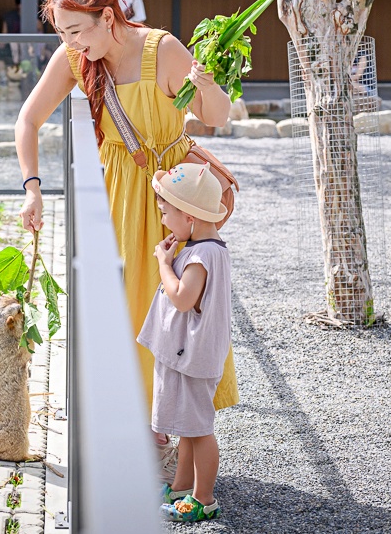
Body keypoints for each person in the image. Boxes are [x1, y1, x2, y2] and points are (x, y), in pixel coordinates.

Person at [14, 0, 239, 481]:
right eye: (63, 33)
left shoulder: (162, 48)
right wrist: (32, 190)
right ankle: (136, 428)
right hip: (115, 199)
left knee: (177, 312)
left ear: (108, 17)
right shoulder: (74, 60)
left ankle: (170, 431)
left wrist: (206, 87)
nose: (71, 43)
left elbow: (218, 118)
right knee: (121, 312)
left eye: (77, 31)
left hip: (172, 203)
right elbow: (27, 121)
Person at [138, 162, 231, 522]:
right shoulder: (209, 249)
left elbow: (182, 298)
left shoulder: (201, 256)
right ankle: (181, 487)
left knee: (200, 430)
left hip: (192, 356)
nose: (164, 221)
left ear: (189, 217)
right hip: (189, 354)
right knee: (189, 429)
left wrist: (164, 262)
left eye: (166, 213)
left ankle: (204, 498)